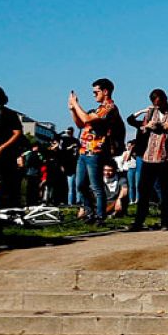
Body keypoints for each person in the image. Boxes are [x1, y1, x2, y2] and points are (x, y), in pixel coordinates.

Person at [127, 89, 168, 231]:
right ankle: (139, 221)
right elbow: (138, 126)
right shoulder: (151, 112)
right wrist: (147, 126)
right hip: (149, 156)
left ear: (166, 100)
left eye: (160, 104)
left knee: (166, 191)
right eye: (156, 105)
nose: (158, 107)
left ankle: (165, 222)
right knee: (144, 190)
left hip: (167, 157)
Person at [68, 78, 124, 225]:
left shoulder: (109, 107)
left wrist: (76, 104)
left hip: (96, 150)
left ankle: (100, 216)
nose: (94, 95)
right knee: (80, 185)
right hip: (84, 150)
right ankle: (89, 211)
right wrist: (73, 109)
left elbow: (86, 119)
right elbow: (81, 123)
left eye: (96, 92)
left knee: (96, 185)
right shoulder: (98, 109)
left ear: (105, 92)